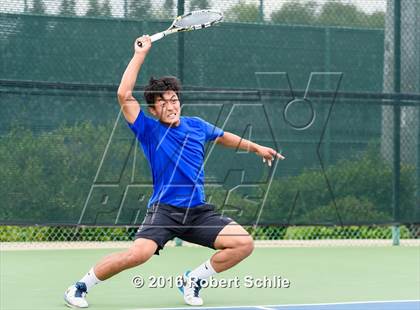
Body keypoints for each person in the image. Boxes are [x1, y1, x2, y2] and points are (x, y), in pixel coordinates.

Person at [64, 35, 285, 308]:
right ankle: (80, 287)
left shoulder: (196, 125)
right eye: (163, 102)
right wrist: (139, 55)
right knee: (138, 254)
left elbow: (224, 137)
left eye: (174, 99)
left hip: (198, 211)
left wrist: (256, 148)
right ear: (154, 110)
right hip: (165, 211)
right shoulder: (148, 129)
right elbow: (123, 95)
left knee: (243, 244)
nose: (171, 105)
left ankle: (192, 280)